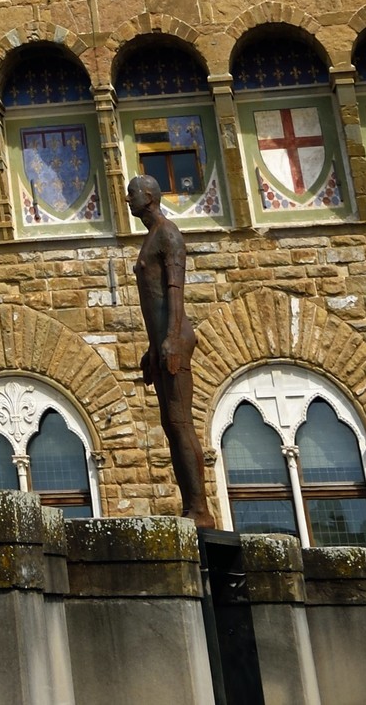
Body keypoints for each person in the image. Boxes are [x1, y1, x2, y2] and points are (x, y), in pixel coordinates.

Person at [127, 173, 215, 524]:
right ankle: (189, 505)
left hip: (175, 335)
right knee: (169, 423)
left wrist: (173, 338)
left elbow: (175, 290)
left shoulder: (168, 234)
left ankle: (201, 510)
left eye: (132, 193)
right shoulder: (151, 237)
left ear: (149, 196)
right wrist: (152, 347)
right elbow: (155, 301)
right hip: (162, 338)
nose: (128, 199)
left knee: (180, 422)